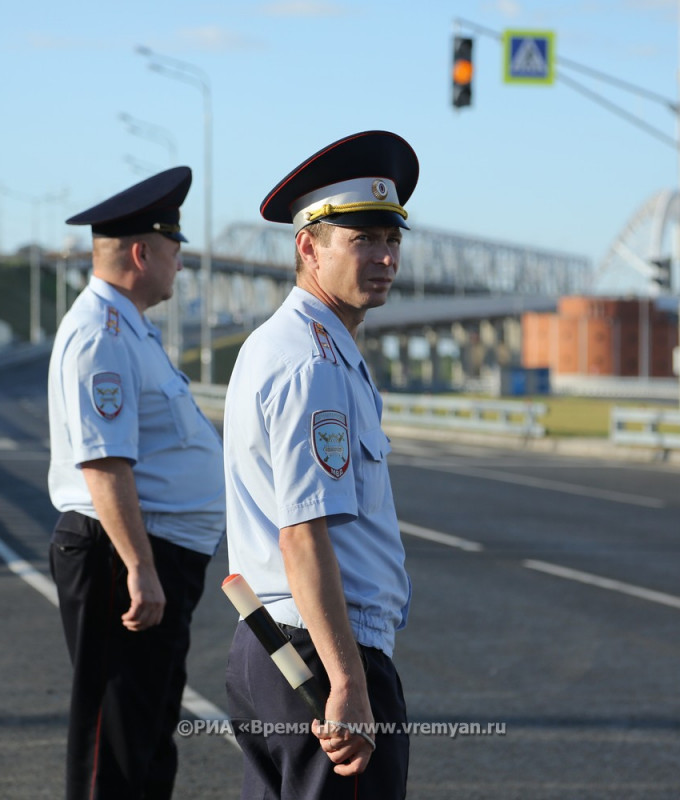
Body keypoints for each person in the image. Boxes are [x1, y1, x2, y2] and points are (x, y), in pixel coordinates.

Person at [223, 130, 419, 800]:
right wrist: (347, 683)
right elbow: (303, 534)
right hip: (322, 655)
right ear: (307, 246)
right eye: (362, 240)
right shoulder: (314, 363)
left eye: (392, 240)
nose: (385, 257)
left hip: (271, 646)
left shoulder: (284, 343)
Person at [47, 166, 225, 800]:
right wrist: (139, 567)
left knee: (146, 737)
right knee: (114, 746)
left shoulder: (130, 329)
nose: (181, 265)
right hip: (123, 553)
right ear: (144, 252)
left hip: (151, 553)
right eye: (175, 251)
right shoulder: (101, 334)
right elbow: (103, 463)